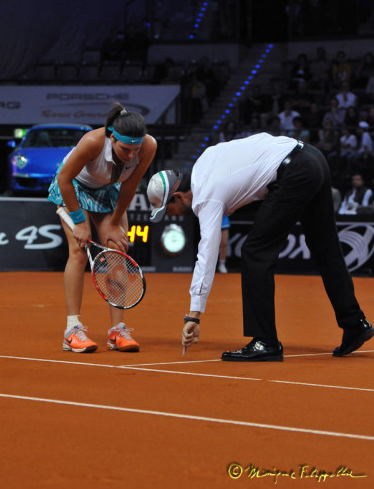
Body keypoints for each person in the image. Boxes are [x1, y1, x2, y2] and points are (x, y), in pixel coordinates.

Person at [147, 134, 373, 361]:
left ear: (177, 196)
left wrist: (193, 316)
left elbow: (207, 254)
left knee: (255, 252)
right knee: (326, 247)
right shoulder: (206, 160)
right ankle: (354, 323)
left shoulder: (205, 195)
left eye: (168, 210)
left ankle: (265, 341)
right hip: (313, 157)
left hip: (295, 172)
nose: (171, 216)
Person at [48, 103, 157, 353]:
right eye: (125, 149)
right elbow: (64, 179)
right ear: (112, 138)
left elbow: (129, 186)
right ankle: (72, 331)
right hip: (73, 186)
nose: (131, 156)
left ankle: (116, 331)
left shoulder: (148, 146)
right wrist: (78, 221)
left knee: (118, 251)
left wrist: (115, 223)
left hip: (109, 190)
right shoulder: (92, 142)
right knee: (78, 250)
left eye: (135, 150)